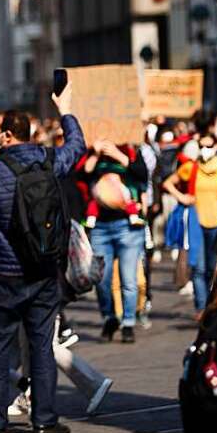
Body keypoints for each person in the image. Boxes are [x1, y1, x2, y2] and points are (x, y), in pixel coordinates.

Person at [0, 82, 85, 433]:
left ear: (4, 136)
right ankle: (44, 419)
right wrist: (65, 110)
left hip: (2, 274)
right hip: (45, 271)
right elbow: (77, 146)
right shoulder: (51, 161)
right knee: (41, 346)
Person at [83, 140, 148, 342]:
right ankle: (109, 316)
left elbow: (142, 176)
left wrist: (119, 155)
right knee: (102, 279)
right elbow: (84, 174)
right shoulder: (96, 156)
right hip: (101, 227)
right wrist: (95, 152)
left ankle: (128, 323)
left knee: (128, 279)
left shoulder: (132, 153)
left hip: (128, 228)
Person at [164, 133, 217, 315]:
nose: (205, 150)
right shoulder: (191, 168)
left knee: (211, 268)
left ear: (216, 147)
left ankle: (212, 303)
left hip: (216, 222)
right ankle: (201, 308)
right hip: (195, 221)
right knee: (198, 268)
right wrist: (182, 197)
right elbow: (168, 183)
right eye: (202, 146)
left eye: (209, 146)